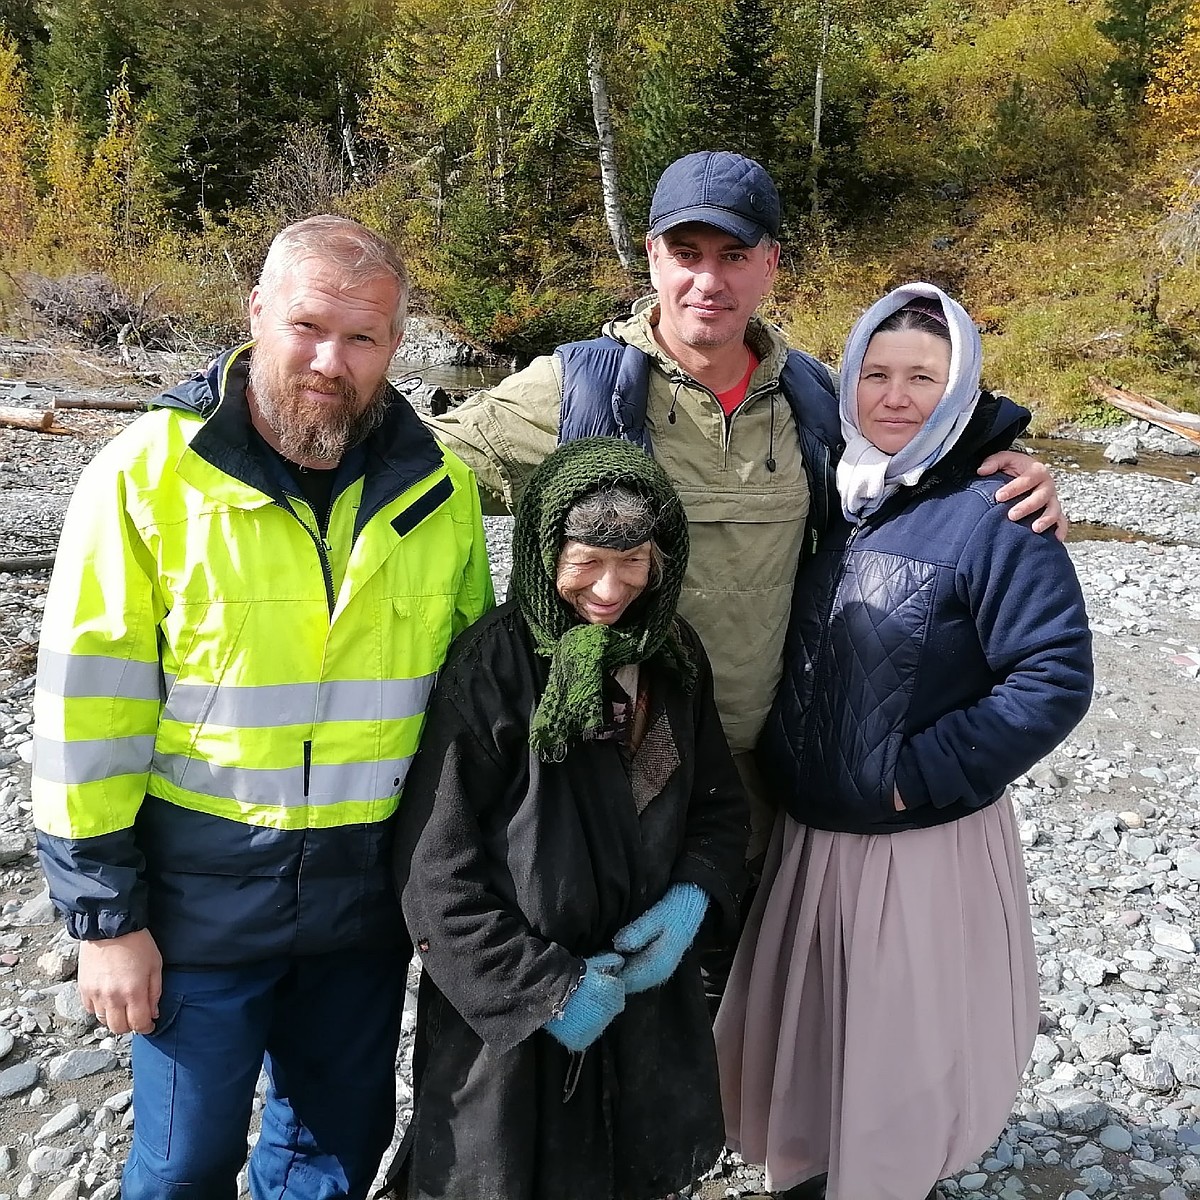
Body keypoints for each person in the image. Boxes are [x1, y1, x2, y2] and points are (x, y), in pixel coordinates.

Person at [424, 150, 1065, 877]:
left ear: (771, 263)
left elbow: (909, 472)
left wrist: (1008, 471)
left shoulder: (814, 399)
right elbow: (415, 474)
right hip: (601, 762)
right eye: (686, 253)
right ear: (652, 257)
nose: (709, 281)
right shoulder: (573, 390)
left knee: (740, 984)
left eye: (734, 255)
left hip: (760, 778)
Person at [31, 215, 494, 1200]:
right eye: (309, 326)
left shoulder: (440, 491)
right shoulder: (149, 474)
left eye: (363, 337)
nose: (333, 360)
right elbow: (86, 716)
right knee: (182, 1162)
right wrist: (106, 920)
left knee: (335, 1150)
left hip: (365, 907)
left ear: (394, 346)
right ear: (255, 315)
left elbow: (466, 714)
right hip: (200, 904)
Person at [713, 283, 1094, 1200]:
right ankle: (817, 1173)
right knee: (814, 1037)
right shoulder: (835, 493)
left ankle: (888, 1178)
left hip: (911, 834)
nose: (894, 396)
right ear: (846, 385)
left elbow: (1055, 677)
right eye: (876, 373)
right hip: (813, 831)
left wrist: (911, 776)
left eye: (923, 376)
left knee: (897, 1045)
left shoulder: (998, 514)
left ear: (959, 387)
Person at [387, 436, 749, 1200]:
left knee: (631, 1170)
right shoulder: (492, 666)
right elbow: (433, 869)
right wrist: (546, 989)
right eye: (586, 562)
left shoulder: (675, 656)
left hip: (640, 993)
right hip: (515, 1018)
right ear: (545, 549)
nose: (610, 590)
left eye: (634, 564)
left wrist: (689, 903)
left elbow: (717, 806)